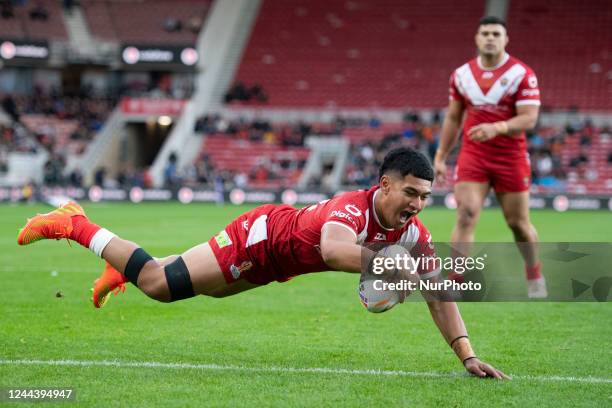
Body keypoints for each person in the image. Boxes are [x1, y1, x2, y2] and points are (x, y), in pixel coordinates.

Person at [17, 147, 508, 379]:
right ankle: (72, 223)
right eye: (411, 193)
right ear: (384, 184)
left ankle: (120, 264)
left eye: (425, 196)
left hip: (278, 263)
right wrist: (394, 266)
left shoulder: (414, 233)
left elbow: (438, 291)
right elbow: (336, 249)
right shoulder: (350, 209)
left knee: (195, 284)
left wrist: (466, 354)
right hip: (261, 238)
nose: (419, 205)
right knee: (160, 285)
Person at [433, 16, 546, 298]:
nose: (490, 38)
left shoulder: (522, 74)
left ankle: (534, 273)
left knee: (518, 223)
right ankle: (455, 281)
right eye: (485, 33)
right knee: (466, 213)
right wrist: (440, 155)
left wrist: (498, 127)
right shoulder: (461, 75)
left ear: (506, 39)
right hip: (474, 155)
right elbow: (453, 117)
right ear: (477, 38)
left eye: (496, 33)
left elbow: (529, 119)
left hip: (511, 157)